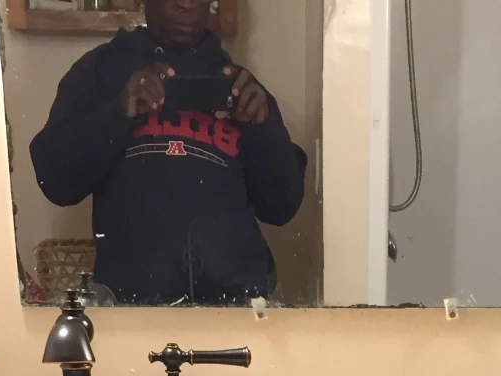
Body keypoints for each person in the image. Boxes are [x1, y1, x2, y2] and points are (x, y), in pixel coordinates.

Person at [30, 0, 309, 306]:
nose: (185, 4)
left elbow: (282, 206)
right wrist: (118, 112)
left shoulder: (239, 87)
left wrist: (263, 127)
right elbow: (54, 181)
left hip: (237, 307)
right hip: (133, 310)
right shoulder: (100, 73)